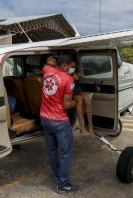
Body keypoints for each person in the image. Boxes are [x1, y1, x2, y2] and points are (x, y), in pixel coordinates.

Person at [40, 53, 79, 193]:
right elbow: (67, 105)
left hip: (44, 118)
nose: (73, 70)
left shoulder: (48, 71)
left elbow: (46, 65)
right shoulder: (68, 80)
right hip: (59, 121)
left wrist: (48, 62)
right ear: (64, 65)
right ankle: (63, 184)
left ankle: (57, 174)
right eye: (72, 67)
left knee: (51, 150)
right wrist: (77, 101)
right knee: (65, 152)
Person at [70, 63, 94, 137]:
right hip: (70, 92)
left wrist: (74, 73)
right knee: (80, 100)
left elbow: (77, 78)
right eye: (72, 66)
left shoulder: (75, 70)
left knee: (88, 100)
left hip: (77, 90)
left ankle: (90, 125)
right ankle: (81, 127)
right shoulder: (63, 70)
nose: (73, 67)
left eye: (74, 66)